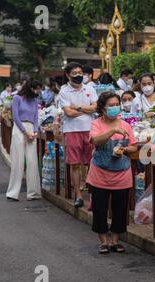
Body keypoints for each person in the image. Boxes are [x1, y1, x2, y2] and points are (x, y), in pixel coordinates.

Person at [86, 91, 137, 254]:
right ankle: (104, 241)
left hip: (122, 174)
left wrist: (125, 149)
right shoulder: (96, 124)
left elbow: (134, 146)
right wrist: (112, 131)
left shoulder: (126, 125)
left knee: (120, 208)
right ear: (102, 108)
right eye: (111, 105)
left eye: (117, 105)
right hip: (100, 173)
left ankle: (115, 241)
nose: (115, 108)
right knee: (99, 209)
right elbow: (95, 141)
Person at [59, 62, 98, 208]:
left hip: (90, 129)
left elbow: (96, 106)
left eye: (80, 72)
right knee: (74, 164)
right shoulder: (64, 91)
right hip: (71, 130)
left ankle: (93, 195)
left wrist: (79, 108)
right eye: (74, 73)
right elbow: (68, 113)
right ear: (68, 75)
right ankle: (78, 195)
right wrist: (88, 110)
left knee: (91, 163)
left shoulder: (90, 88)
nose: (78, 75)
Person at [6, 79, 42, 202]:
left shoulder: (35, 100)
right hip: (19, 129)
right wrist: (25, 132)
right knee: (18, 161)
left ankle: (33, 192)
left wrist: (35, 131)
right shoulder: (17, 98)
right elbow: (15, 117)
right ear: (29, 88)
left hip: (31, 129)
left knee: (32, 161)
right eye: (36, 89)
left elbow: (36, 117)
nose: (37, 91)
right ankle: (12, 193)